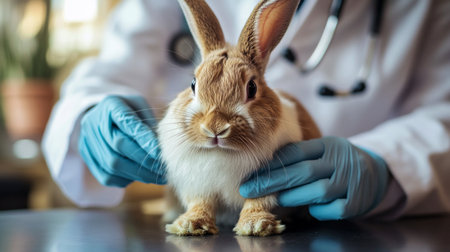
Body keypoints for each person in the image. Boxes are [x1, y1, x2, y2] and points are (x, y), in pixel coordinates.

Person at [43, 0, 450, 220]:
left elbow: (443, 110)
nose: (215, 123)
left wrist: (388, 165)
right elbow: (111, 65)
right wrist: (89, 115)